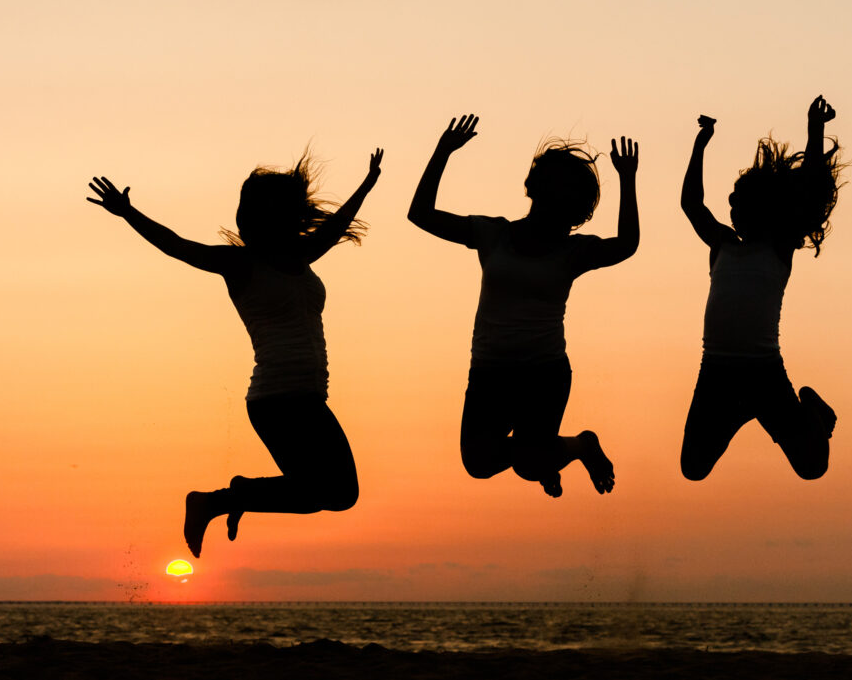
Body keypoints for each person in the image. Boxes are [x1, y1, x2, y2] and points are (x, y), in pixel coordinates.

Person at [87, 147, 383, 557]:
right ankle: (220, 499)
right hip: (277, 400)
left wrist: (367, 185)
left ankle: (225, 498)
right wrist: (128, 213)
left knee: (339, 494)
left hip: (311, 396)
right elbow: (176, 245)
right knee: (327, 492)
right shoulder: (239, 264)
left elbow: (335, 227)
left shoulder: (302, 256)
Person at [408, 114, 639, 497]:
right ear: (534, 189)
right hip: (490, 372)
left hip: (543, 373)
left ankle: (577, 447)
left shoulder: (573, 251)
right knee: (479, 464)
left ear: (575, 210)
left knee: (530, 465)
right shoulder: (493, 233)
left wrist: (627, 179)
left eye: (567, 198)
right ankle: (547, 454)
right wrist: (443, 152)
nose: (557, 203)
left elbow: (626, 244)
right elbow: (421, 215)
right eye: (552, 189)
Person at [679, 95, 843, 481]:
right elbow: (691, 204)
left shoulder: (778, 247)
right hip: (716, 371)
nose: (732, 211)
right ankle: (740, 412)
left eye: (740, 205)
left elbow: (811, 187)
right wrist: (700, 145)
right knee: (692, 468)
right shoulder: (721, 244)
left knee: (812, 467)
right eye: (732, 205)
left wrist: (815, 130)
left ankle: (813, 411)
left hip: (764, 371)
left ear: (765, 209)